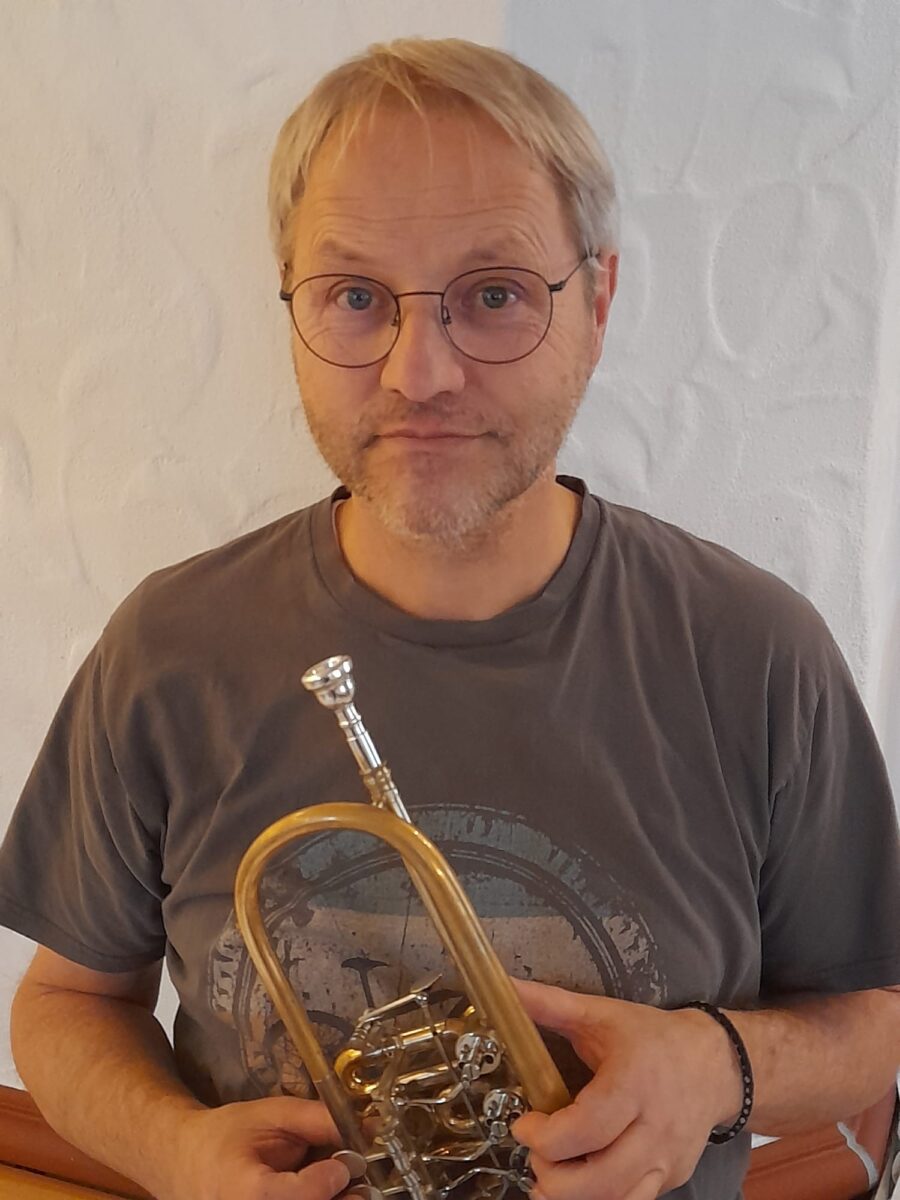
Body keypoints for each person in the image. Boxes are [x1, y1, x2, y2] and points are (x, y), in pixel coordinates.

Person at [1, 35, 898, 1200]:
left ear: (598, 302)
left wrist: (719, 1065)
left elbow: (873, 1020)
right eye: (355, 297)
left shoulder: (759, 653)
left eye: (494, 294)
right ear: (292, 304)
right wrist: (171, 1148)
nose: (418, 374)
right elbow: (68, 1001)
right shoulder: (168, 650)